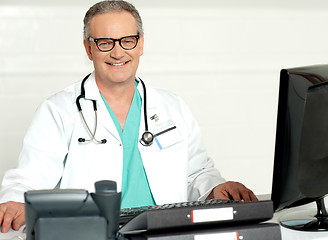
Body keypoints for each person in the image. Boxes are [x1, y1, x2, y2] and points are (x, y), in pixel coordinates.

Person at [0, 0, 257, 233]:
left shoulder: (171, 106)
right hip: (91, 233)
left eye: (127, 40)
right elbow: (30, 176)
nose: (117, 52)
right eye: (105, 42)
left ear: (141, 43)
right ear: (89, 49)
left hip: (164, 232)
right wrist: (13, 200)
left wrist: (215, 188)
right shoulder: (59, 110)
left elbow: (196, 173)